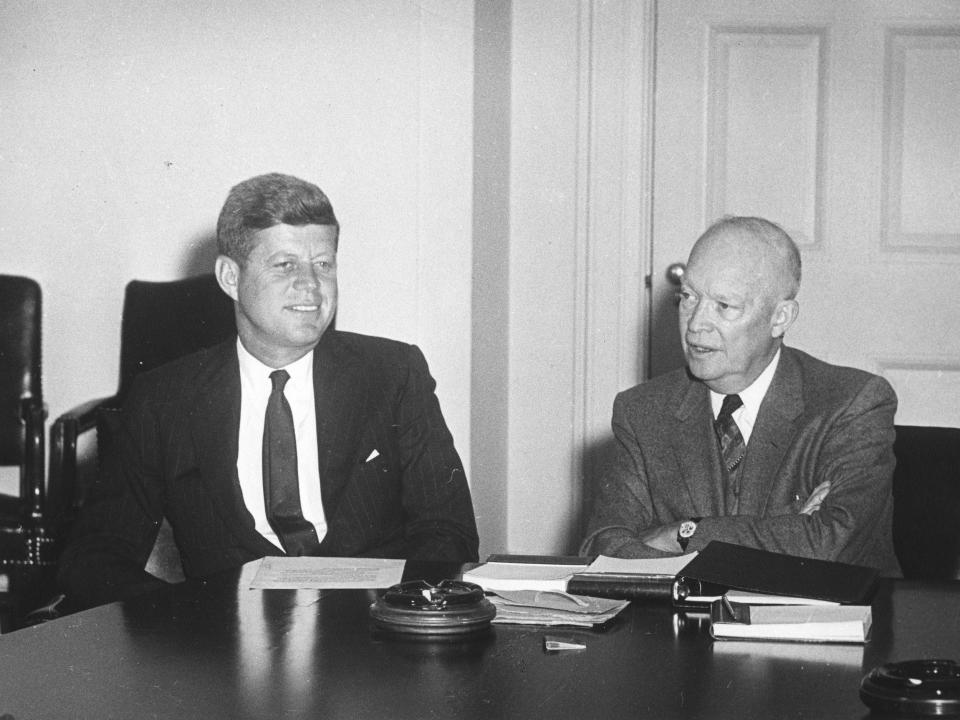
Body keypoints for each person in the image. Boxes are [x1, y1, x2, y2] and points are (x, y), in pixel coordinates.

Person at [58, 172, 479, 608]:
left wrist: (401, 612)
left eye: (324, 264)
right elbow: (93, 556)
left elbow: (449, 532)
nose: (311, 285)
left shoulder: (393, 375)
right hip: (226, 647)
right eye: (285, 265)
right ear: (230, 277)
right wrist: (187, 621)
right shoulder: (165, 400)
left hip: (371, 638)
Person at [583, 216, 900, 575]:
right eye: (688, 297)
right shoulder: (643, 411)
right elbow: (604, 550)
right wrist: (787, 533)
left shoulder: (852, 403)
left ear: (780, 318)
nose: (695, 324)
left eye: (724, 306)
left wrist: (684, 534)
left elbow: (832, 545)